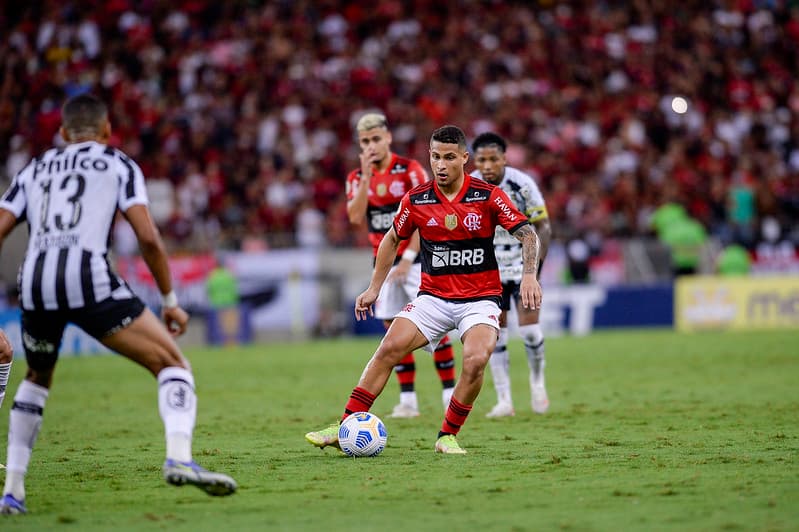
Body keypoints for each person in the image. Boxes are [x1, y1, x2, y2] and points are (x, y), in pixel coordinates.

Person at [0, 93, 236, 515]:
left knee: (37, 376)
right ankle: (179, 457)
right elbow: (148, 237)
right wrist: (169, 299)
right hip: (87, 276)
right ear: (107, 130)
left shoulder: (34, 169)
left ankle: (13, 490)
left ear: (62, 133)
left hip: (34, 281)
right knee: (173, 364)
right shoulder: (117, 164)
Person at [306, 125, 543, 454]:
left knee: (475, 359)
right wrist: (374, 286)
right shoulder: (417, 199)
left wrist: (530, 276)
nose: (441, 165)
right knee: (388, 349)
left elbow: (528, 234)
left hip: (480, 300)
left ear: (464, 158)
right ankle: (344, 423)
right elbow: (392, 238)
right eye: (435, 157)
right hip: (433, 298)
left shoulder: (487, 196)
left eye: (449, 157)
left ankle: (447, 435)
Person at [346, 112, 457, 417]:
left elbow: (428, 213)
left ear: (388, 138)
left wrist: (408, 257)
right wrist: (367, 177)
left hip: (418, 259)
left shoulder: (410, 170)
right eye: (365, 141)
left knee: (435, 326)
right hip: (383, 262)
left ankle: (449, 392)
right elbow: (355, 217)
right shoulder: (357, 178)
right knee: (392, 328)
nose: (371, 145)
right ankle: (408, 400)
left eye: (376, 139)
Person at [471, 132, 552, 417]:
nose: (488, 165)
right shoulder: (471, 186)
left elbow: (543, 227)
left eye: (493, 159)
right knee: (497, 336)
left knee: (529, 331)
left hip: (522, 266)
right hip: (490, 268)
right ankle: (505, 400)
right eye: (482, 160)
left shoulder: (522, 184)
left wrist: (535, 270)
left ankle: (537, 383)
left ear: (504, 158)